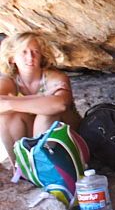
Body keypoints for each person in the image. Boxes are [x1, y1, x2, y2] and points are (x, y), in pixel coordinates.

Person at [0, 32, 81, 171]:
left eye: (35, 52)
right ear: (12, 58)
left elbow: (59, 105)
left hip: (66, 137)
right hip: (34, 135)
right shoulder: (9, 81)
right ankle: (22, 169)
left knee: (47, 114)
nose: (30, 57)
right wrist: (41, 98)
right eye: (23, 52)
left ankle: (46, 168)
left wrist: (9, 102)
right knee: (7, 117)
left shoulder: (56, 77)